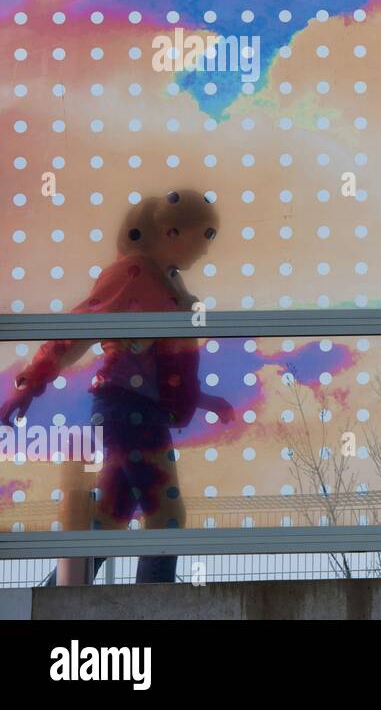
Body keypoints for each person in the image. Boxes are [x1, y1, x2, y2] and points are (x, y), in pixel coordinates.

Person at [0, 190, 234, 584]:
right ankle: (153, 606)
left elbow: (158, 364)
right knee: (166, 515)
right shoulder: (133, 274)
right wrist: (32, 382)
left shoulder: (165, 284)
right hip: (128, 408)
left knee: (107, 524)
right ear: (171, 231)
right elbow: (80, 328)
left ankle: (50, 601)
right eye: (204, 235)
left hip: (133, 407)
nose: (206, 250)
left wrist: (203, 399)